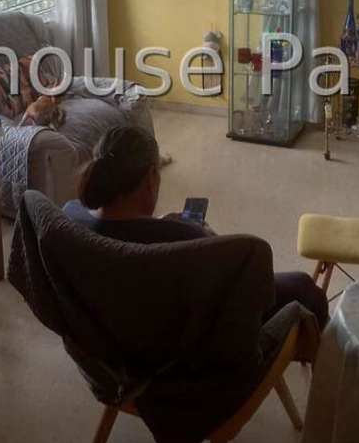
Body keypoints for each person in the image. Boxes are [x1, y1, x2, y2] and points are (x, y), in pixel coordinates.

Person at [64, 125, 330, 332]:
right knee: (304, 287)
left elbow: (126, 231)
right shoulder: (184, 238)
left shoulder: (70, 218)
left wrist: (162, 225)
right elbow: (234, 275)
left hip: (115, 352)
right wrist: (204, 234)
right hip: (188, 357)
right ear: (150, 180)